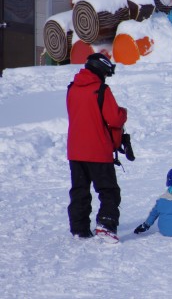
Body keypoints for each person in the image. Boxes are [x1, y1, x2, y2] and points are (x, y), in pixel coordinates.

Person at [66, 52, 127, 241]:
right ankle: (106, 226)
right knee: (108, 190)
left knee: (79, 191)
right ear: (101, 70)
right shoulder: (101, 90)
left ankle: (79, 228)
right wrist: (123, 112)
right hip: (98, 150)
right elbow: (115, 118)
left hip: (75, 151)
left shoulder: (71, 88)